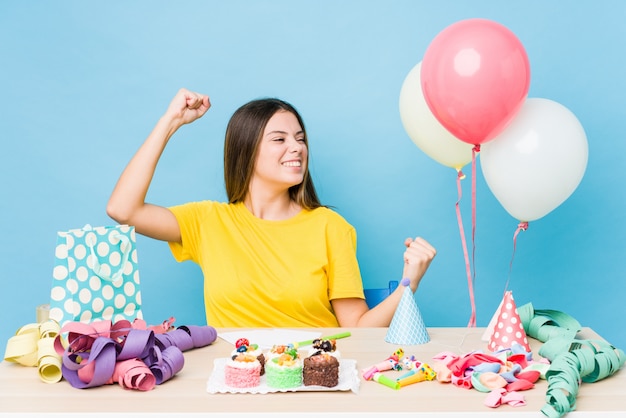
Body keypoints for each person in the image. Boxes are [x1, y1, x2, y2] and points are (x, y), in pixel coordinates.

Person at [107, 88, 436, 328]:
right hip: (238, 385)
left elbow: (358, 328)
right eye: (280, 139)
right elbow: (123, 209)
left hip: (313, 382)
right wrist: (170, 122)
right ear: (246, 152)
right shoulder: (207, 221)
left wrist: (409, 283)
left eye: (300, 138)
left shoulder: (329, 226)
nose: (297, 147)